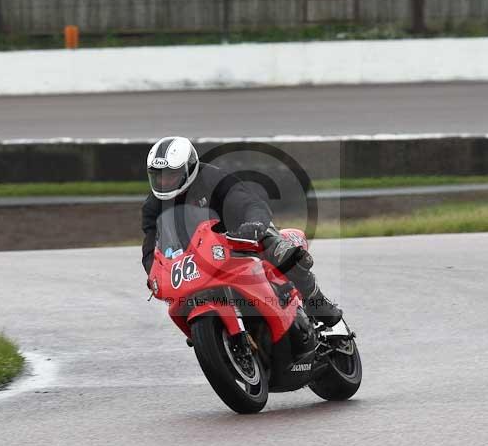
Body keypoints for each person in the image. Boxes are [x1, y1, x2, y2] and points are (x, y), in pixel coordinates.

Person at [141, 136, 343, 326]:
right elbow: (150, 246)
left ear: (189, 169)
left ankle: (317, 301)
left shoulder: (212, 178)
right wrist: (154, 273)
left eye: (171, 175)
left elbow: (248, 202)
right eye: (157, 176)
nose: (164, 182)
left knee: (278, 249)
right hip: (195, 258)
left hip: (237, 236)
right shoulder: (153, 205)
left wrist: (254, 224)